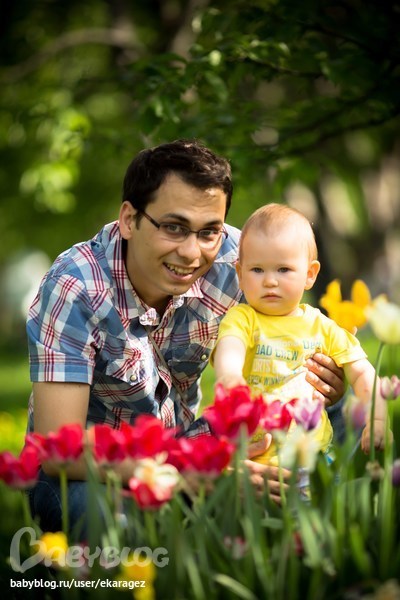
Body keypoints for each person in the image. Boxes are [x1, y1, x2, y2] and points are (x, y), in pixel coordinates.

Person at [26, 140, 345, 536]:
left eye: (209, 231)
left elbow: (296, 334)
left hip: (193, 442)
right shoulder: (76, 287)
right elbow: (60, 447)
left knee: (332, 410)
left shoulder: (239, 261)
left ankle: (321, 550)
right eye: (174, 228)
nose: (192, 253)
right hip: (94, 470)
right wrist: (190, 470)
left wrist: (325, 381)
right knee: (112, 522)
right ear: (129, 219)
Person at [212, 203, 387, 466]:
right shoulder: (243, 319)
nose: (270, 281)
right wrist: (230, 378)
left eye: (283, 269)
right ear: (240, 274)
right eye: (257, 270)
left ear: (310, 275)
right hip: (256, 457)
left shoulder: (321, 326)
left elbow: (362, 373)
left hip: (313, 457)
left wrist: (377, 419)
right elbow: (230, 347)